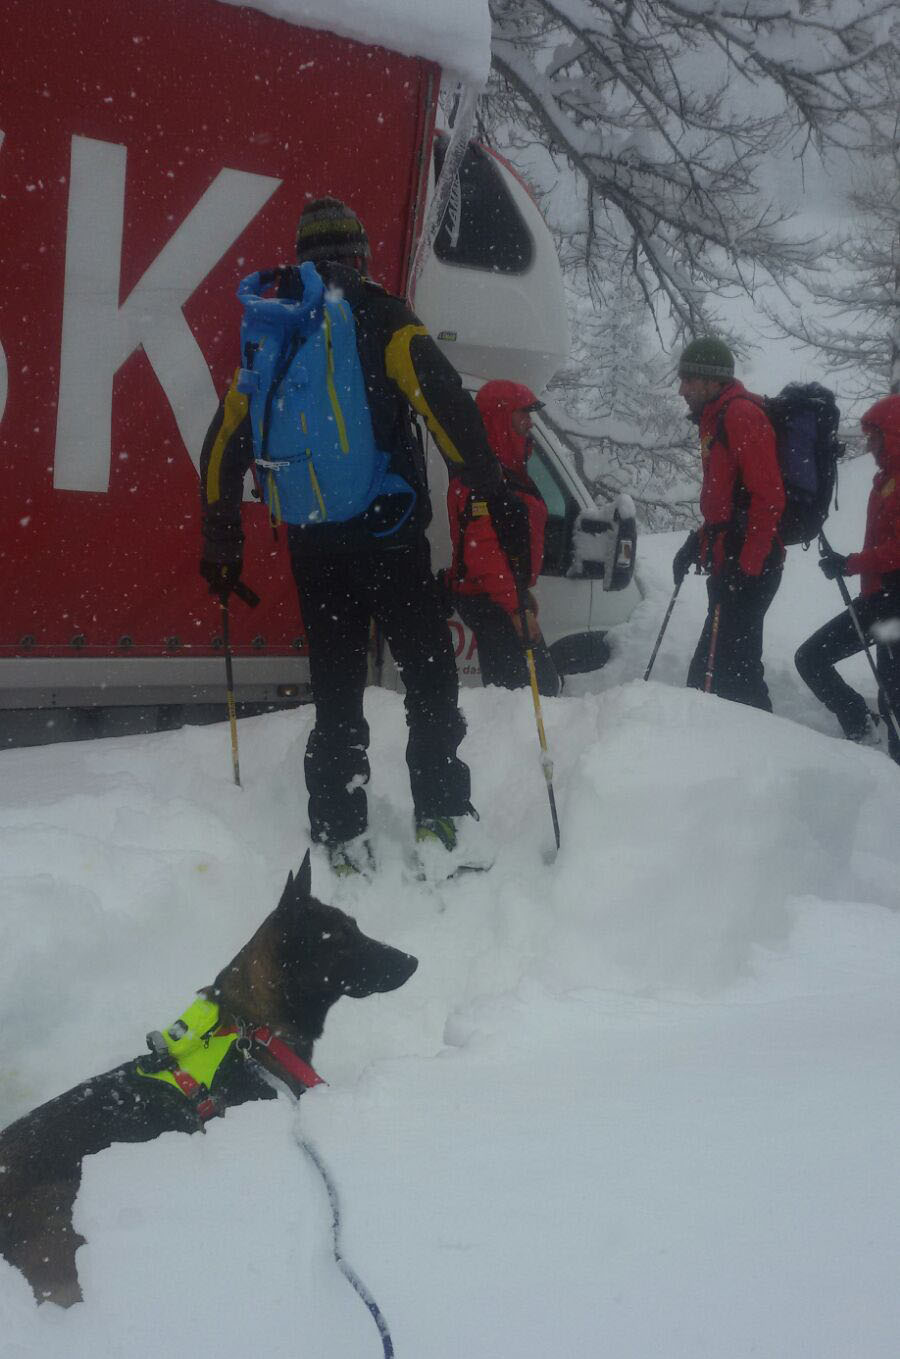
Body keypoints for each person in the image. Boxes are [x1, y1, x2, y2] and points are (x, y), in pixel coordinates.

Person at [200, 198, 529, 874]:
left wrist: (223, 533)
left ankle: (340, 829)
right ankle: (441, 818)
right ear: (361, 255)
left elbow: (225, 440)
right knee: (430, 680)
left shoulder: (276, 323)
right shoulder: (384, 316)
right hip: (389, 536)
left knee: (338, 688)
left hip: (314, 541)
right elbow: (445, 405)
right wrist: (493, 490)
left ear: (303, 253)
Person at [671, 337, 786, 710]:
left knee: (730, 674)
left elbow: (768, 497)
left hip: (751, 565)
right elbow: (727, 503)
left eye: (689, 380)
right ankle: (744, 748)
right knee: (727, 671)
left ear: (712, 380)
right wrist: (699, 542)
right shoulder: (715, 418)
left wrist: (747, 566)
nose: (682, 389)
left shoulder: (739, 415)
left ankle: (766, 752)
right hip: (733, 561)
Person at [795, 394, 900, 764]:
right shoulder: (884, 480)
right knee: (811, 659)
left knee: (895, 691)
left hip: (894, 603)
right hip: (878, 599)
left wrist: (852, 564)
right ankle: (862, 728)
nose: (869, 444)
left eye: (876, 436)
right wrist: (848, 565)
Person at [446, 380, 560, 697]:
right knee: (533, 693)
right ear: (500, 416)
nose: (530, 421)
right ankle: (520, 746)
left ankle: (514, 742)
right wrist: (515, 606)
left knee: (517, 694)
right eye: (522, 413)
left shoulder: (506, 470)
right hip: (490, 601)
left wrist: (519, 592)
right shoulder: (479, 477)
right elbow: (483, 553)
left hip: (499, 598)